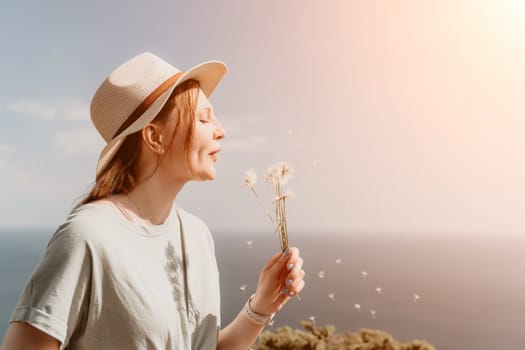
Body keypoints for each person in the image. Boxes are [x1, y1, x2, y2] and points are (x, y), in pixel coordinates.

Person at [0, 52, 306, 350]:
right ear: (154, 137)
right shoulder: (88, 238)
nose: (221, 131)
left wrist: (263, 305)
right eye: (203, 118)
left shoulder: (197, 235)